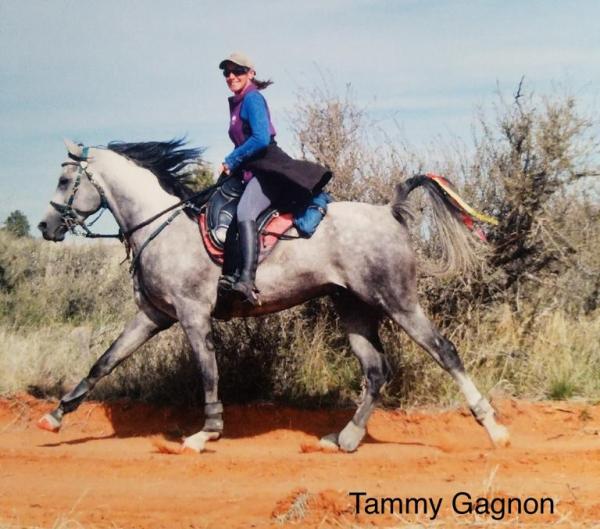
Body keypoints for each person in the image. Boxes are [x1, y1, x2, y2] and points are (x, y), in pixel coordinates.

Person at [217, 52, 332, 306]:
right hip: (250, 169)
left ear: (251, 73)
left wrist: (233, 159)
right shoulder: (237, 103)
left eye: (237, 71)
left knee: (246, 211)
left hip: (268, 167)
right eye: (227, 73)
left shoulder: (253, 98)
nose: (231, 76)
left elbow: (259, 138)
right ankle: (229, 276)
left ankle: (246, 281)